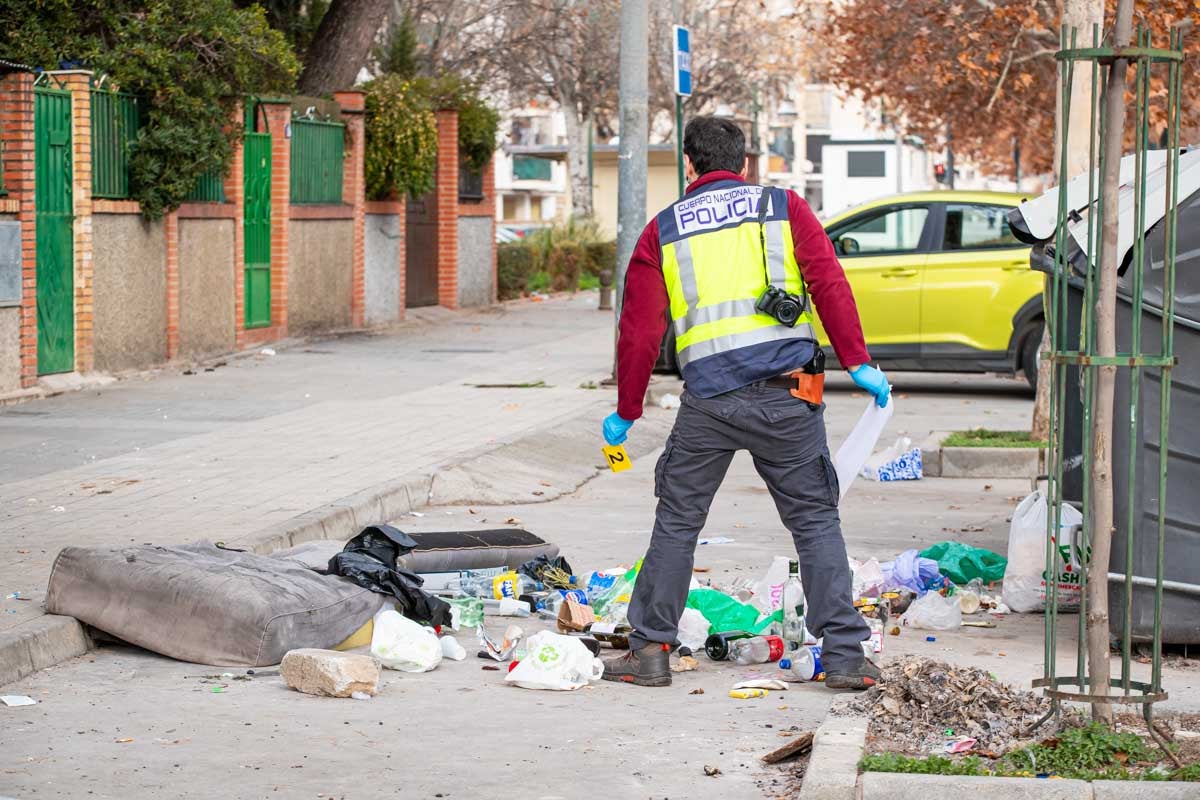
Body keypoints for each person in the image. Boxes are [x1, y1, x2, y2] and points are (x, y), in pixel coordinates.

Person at [601, 116, 890, 690]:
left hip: (708, 403)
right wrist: (857, 361)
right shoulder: (784, 208)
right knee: (814, 521)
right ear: (745, 164)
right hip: (790, 395)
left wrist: (627, 411)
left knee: (679, 522)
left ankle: (651, 651)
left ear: (689, 165)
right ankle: (844, 658)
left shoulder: (663, 229)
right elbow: (828, 280)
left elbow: (638, 332)